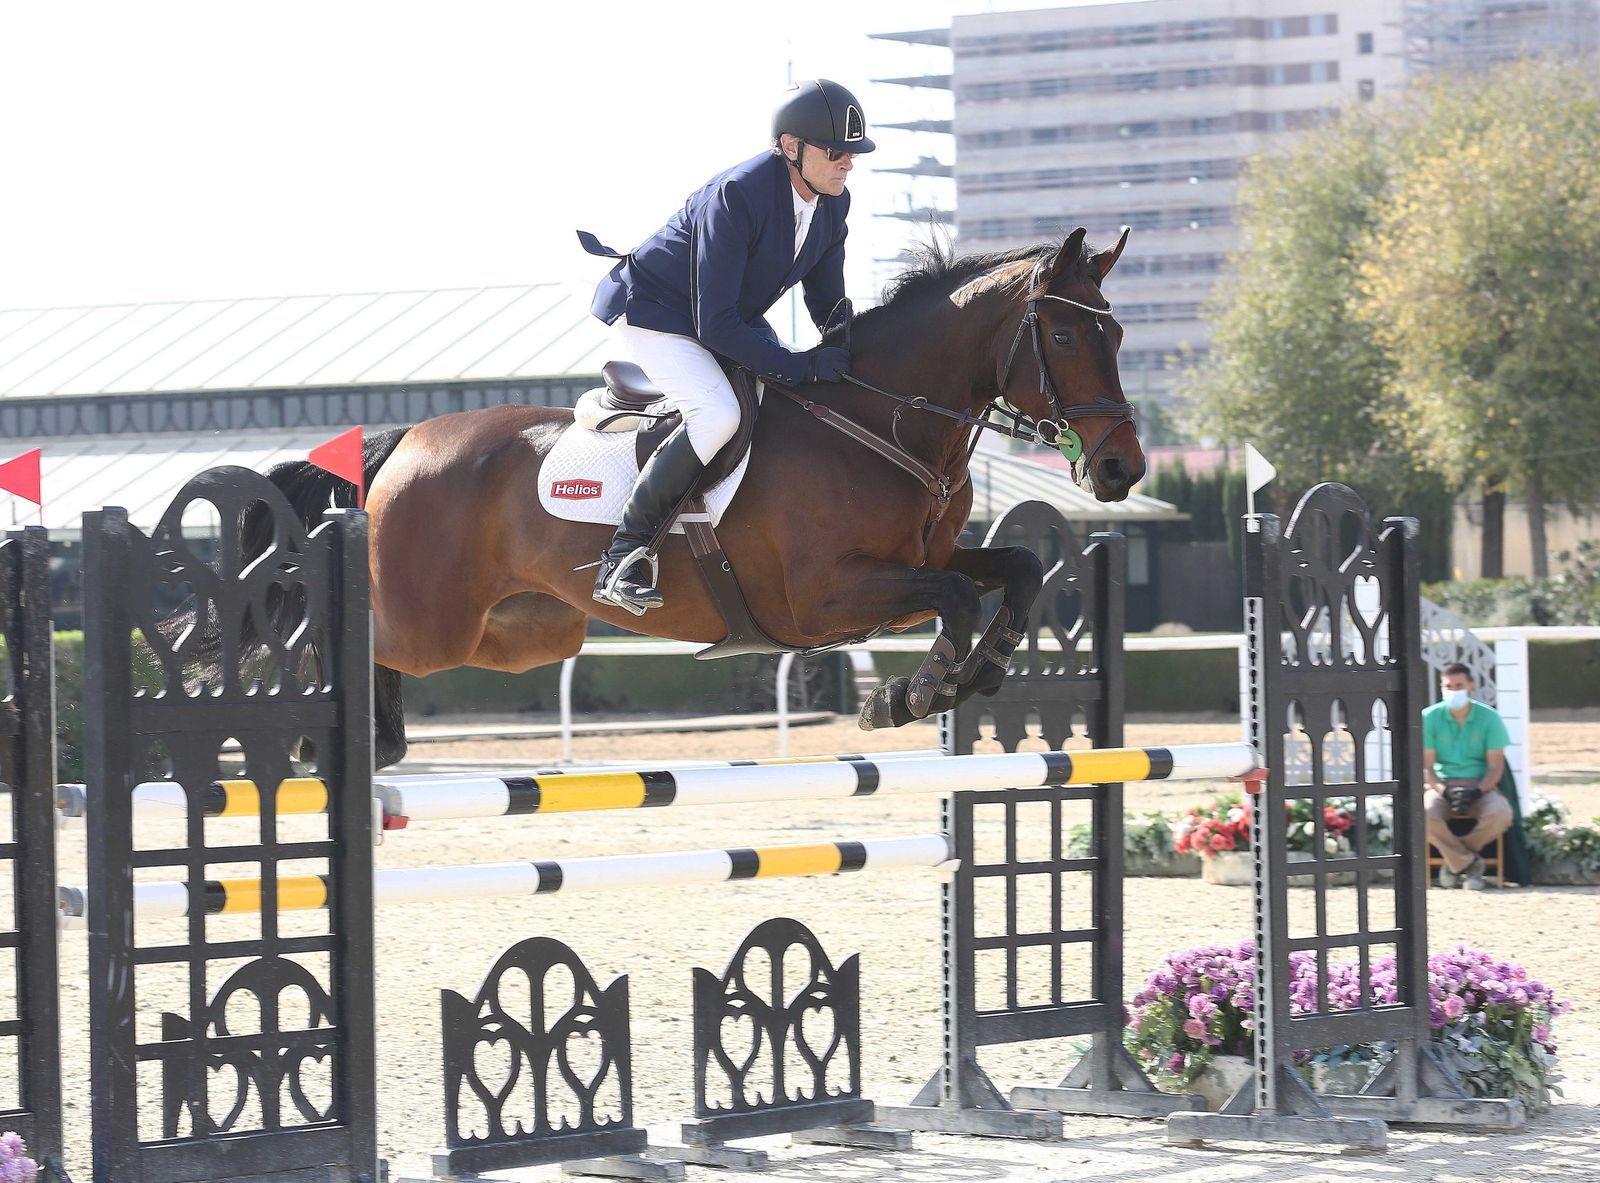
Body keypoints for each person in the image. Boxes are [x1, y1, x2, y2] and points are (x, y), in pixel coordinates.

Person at [578, 78, 873, 615]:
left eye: (853, 152)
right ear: (791, 147)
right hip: (654, 310)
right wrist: (799, 365)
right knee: (716, 414)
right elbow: (714, 325)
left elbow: (827, 301)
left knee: (788, 402)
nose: (848, 162)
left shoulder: (833, 204)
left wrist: (859, 351)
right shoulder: (737, 193)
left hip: (720, 315)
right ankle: (623, 555)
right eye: (836, 152)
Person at [1422, 662, 1513, 890]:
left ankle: (1454, 863)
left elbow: (1495, 767)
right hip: (1441, 785)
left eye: (1459, 685)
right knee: (1421, 815)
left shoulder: (1490, 719)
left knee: (1501, 814)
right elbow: (1426, 768)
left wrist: (1477, 790)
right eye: (1448, 686)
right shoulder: (1428, 718)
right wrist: (1445, 790)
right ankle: (1470, 863)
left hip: (1481, 785)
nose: (1453, 691)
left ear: (1471, 686)